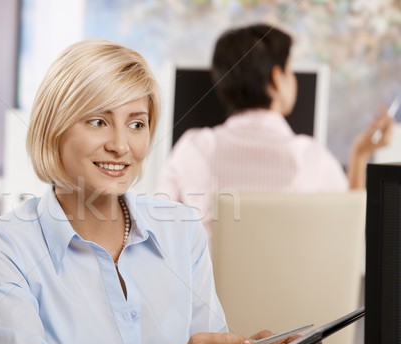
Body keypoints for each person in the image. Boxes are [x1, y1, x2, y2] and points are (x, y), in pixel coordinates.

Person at [0, 39, 307, 344]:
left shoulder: (181, 228)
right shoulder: (4, 247)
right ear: (55, 129)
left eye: (136, 123)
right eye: (99, 121)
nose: (120, 145)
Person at [157, 23, 394, 238]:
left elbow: (160, 232)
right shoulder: (310, 157)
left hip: (208, 287)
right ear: (277, 79)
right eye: (290, 71)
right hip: (298, 286)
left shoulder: (194, 148)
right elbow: (350, 232)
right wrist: (360, 154)